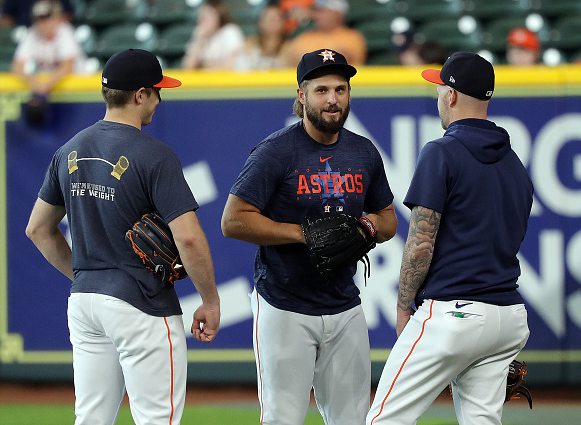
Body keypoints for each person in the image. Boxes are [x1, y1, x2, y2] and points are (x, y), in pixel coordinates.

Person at [26, 48, 221, 425]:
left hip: (84, 304)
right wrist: (210, 302)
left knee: (92, 419)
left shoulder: (68, 150)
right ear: (140, 94)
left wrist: (89, 278)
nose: (160, 100)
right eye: (157, 91)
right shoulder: (155, 155)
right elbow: (190, 239)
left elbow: (37, 228)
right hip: (141, 305)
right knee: (155, 420)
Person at [222, 48, 397, 425]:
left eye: (340, 89)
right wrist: (304, 234)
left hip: (345, 306)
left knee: (352, 419)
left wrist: (365, 228)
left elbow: (388, 220)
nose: (332, 99)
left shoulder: (363, 152)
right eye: (321, 90)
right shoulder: (276, 151)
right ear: (302, 96)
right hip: (284, 305)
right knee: (283, 419)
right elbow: (233, 221)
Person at [366, 52, 533, 424]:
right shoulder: (515, 164)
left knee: (383, 419)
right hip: (508, 317)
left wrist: (403, 307)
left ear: (452, 96)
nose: (438, 96)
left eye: (439, 88)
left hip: (455, 313)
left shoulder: (441, 151)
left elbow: (420, 243)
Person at [11, 0, 85, 125]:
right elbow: (16, 66)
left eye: (46, 18)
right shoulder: (32, 34)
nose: (42, 23)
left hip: (79, 93)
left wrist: (43, 86)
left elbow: (68, 66)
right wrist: (35, 83)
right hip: (54, 91)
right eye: (38, 19)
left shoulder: (65, 31)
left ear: (57, 18)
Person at [284, 0, 367, 66]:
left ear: (338, 13)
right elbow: (289, 60)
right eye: (316, 11)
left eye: (323, 11)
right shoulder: (304, 38)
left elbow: (344, 59)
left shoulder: (352, 37)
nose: (317, 15)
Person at [182, 0, 245, 70]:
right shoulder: (199, 34)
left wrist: (203, 66)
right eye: (201, 16)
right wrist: (199, 41)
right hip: (204, 80)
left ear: (218, 16)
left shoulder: (230, 31)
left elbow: (229, 67)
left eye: (207, 16)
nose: (201, 20)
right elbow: (188, 68)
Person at [236, 4, 289, 70]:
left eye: (275, 19)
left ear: (282, 22)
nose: (272, 23)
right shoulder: (250, 44)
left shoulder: (289, 47)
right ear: (260, 22)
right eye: (269, 19)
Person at [0, 0, 74, 27]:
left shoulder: (64, 36)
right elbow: (5, 19)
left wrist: (49, 27)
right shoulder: (31, 37)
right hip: (24, 32)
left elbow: (67, 16)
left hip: (55, 37)